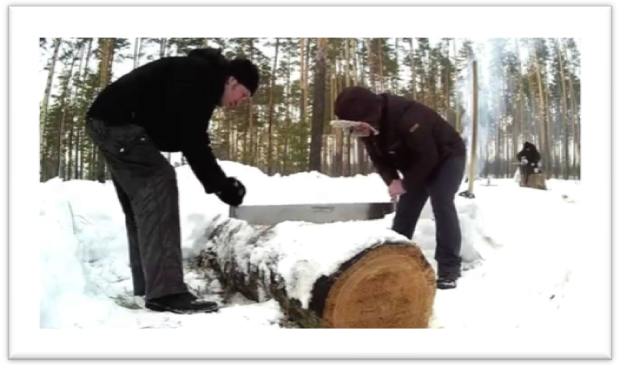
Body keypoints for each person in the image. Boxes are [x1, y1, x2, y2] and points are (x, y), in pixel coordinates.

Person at [84, 47, 260, 313]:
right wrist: (222, 186)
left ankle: (149, 286)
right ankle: (166, 292)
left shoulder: (195, 77)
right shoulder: (201, 78)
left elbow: (176, 133)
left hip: (109, 123)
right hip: (117, 125)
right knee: (159, 183)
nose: (240, 102)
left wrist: (217, 182)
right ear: (232, 80)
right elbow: (194, 141)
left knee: (142, 204)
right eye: (243, 94)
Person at [334, 86, 466, 289]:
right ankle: (394, 258)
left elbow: (428, 157)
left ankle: (449, 267)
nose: (358, 131)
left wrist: (405, 183)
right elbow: (378, 159)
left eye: (358, 125)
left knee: (441, 199)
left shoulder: (408, 117)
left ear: (370, 114)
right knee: (406, 208)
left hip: (447, 155)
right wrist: (392, 180)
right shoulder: (369, 127)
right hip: (416, 162)